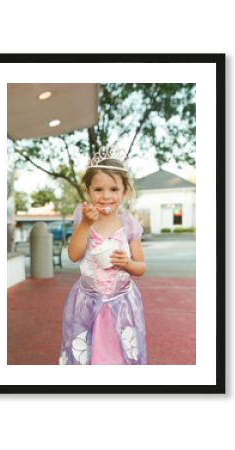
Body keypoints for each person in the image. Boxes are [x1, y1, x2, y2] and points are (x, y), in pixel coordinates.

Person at [59, 146, 147, 365]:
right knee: (89, 356)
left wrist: (127, 264)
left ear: (124, 192)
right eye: (98, 189)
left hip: (122, 304)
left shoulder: (129, 224)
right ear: (88, 191)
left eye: (113, 189)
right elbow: (73, 254)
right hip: (87, 304)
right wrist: (86, 224)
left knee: (118, 356)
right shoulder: (84, 217)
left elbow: (141, 267)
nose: (106, 196)